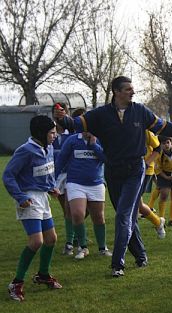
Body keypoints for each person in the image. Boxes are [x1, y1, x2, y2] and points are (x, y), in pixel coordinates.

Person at [54, 75, 172, 277]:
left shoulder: (140, 111)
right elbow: (74, 124)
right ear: (116, 92)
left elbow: (164, 126)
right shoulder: (100, 114)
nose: (132, 92)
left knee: (123, 216)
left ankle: (117, 264)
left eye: (132, 89)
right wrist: (61, 117)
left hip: (135, 170)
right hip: (113, 172)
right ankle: (141, 255)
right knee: (129, 217)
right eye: (127, 89)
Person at [3, 116, 62, 301]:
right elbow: (8, 176)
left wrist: (51, 187)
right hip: (28, 198)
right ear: (40, 133)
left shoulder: (48, 147)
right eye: (52, 132)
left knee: (51, 239)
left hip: (42, 197)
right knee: (36, 241)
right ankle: (16, 283)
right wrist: (21, 197)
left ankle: (43, 275)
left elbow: (47, 171)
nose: (55, 135)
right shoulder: (25, 151)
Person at [54, 127, 111, 260]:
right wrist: (52, 181)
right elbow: (61, 160)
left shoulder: (101, 140)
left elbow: (106, 159)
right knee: (77, 214)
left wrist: (94, 145)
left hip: (96, 183)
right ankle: (83, 247)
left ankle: (103, 248)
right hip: (75, 182)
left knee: (98, 217)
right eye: (85, 129)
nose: (87, 132)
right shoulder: (72, 141)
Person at [52, 102, 77, 255]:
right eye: (55, 111)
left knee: (70, 209)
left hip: (71, 174)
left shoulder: (72, 131)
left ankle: (70, 243)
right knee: (65, 210)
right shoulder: (50, 132)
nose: (58, 114)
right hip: (56, 175)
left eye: (61, 111)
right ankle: (75, 235)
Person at [138, 130, 166, 238]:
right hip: (128, 170)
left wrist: (147, 163)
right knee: (136, 203)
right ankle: (158, 222)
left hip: (145, 171)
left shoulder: (146, 131)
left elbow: (157, 148)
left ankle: (131, 235)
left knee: (134, 203)